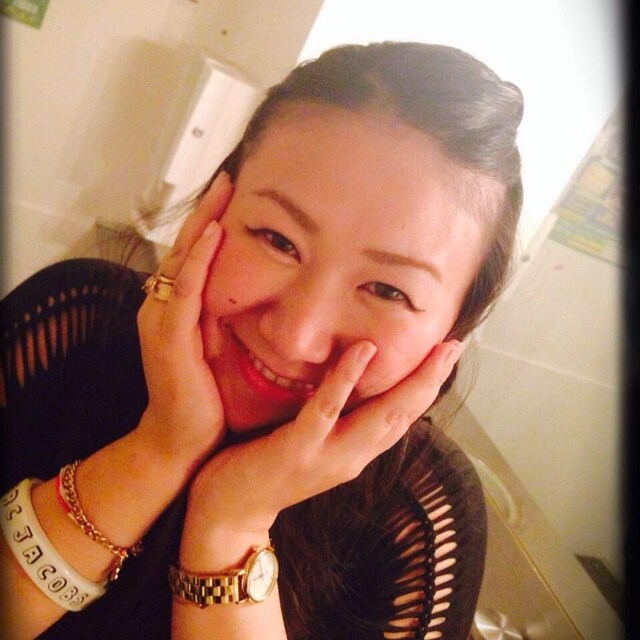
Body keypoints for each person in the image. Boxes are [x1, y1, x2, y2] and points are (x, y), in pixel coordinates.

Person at [0, 41, 523, 639]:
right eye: (277, 240)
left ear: (451, 332)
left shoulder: (419, 519)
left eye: (387, 290)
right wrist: (159, 449)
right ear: (215, 207)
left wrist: (232, 524)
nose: (296, 338)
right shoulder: (72, 324)